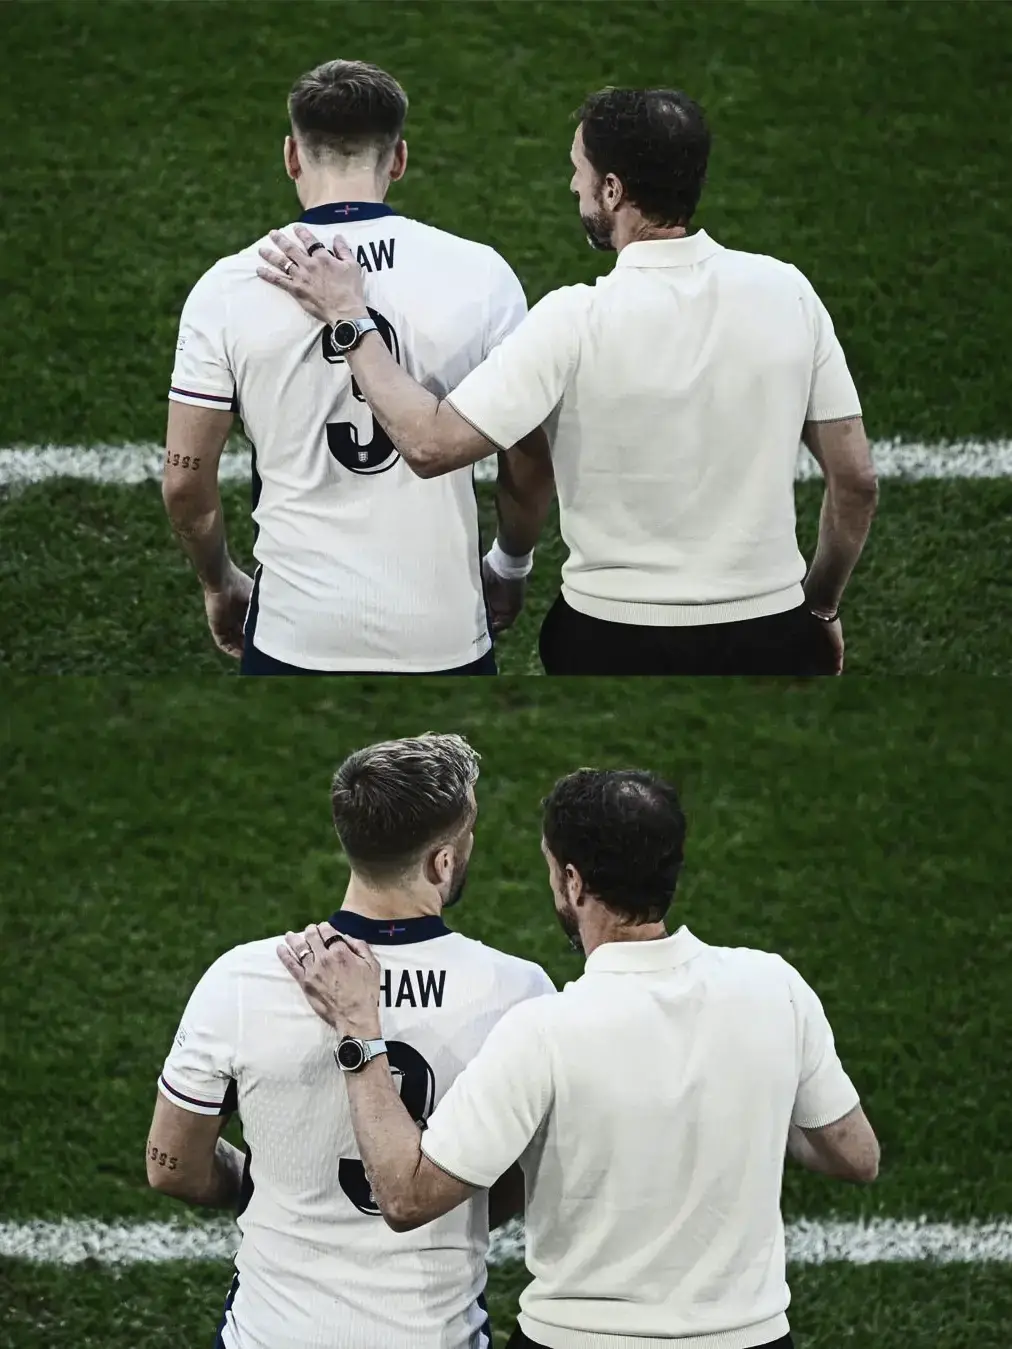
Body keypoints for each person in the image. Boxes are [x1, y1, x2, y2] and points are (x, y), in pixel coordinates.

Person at [258, 86, 879, 676]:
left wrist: (349, 318)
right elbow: (854, 484)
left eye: (580, 170)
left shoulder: (572, 320)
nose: (572, 184)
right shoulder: (788, 291)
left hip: (611, 636)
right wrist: (818, 606)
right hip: (771, 630)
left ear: (613, 191)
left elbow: (430, 444)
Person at [282, 767, 880, 1349]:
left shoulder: (544, 1031)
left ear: (573, 882)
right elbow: (856, 1156)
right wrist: (753, 1116)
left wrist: (359, 1029)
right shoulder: (774, 985)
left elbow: (407, 1197)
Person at [146, 733, 555, 1349]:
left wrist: (258, 1185)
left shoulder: (242, 977)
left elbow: (170, 1166)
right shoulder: (520, 991)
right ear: (443, 861)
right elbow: (529, 1173)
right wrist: (455, 1202)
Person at [163, 59, 552, 675]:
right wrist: (510, 564)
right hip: (443, 632)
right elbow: (529, 460)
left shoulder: (229, 288)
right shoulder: (481, 276)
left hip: (295, 630)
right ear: (397, 159)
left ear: (292, 156)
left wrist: (218, 582)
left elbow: (186, 484)